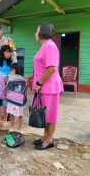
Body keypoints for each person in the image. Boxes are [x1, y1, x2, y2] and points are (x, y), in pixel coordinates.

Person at [32, 22, 63, 150]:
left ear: (42, 33)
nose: (35, 33)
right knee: (45, 114)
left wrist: (39, 83)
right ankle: (45, 137)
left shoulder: (49, 46)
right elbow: (42, 67)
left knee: (50, 115)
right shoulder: (45, 46)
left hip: (49, 87)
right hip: (44, 87)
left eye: (37, 31)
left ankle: (49, 140)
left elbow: (51, 69)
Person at [0, 45, 13, 128]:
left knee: (5, 103)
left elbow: (13, 74)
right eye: (7, 52)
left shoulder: (10, 63)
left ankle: (5, 119)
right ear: (2, 52)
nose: (8, 54)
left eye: (9, 52)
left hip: (6, 86)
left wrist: (8, 79)